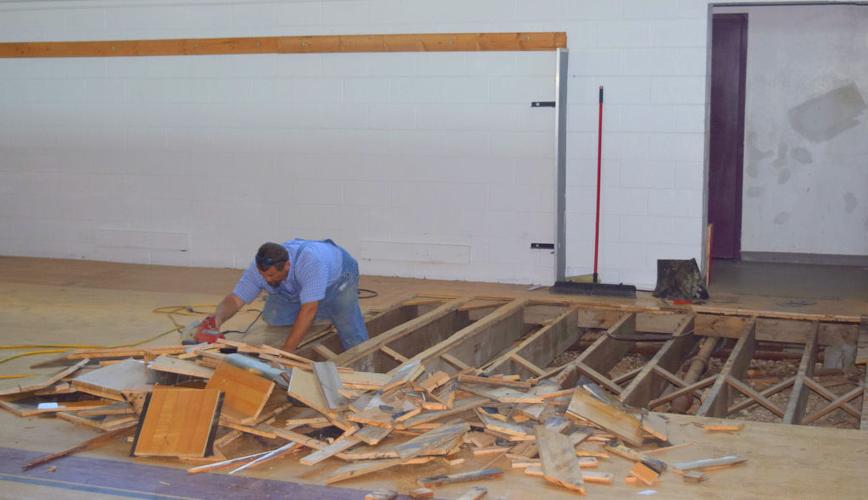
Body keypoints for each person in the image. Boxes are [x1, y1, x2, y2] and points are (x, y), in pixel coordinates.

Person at [202, 239, 369, 352]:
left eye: (272, 275)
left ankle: (363, 363)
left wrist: (287, 352)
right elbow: (236, 299)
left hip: (339, 279)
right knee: (275, 318)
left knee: (349, 328)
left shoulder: (310, 263)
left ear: (287, 265)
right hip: (299, 283)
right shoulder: (261, 270)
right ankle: (316, 319)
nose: (266, 280)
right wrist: (215, 320)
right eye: (263, 275)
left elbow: (309, 309)